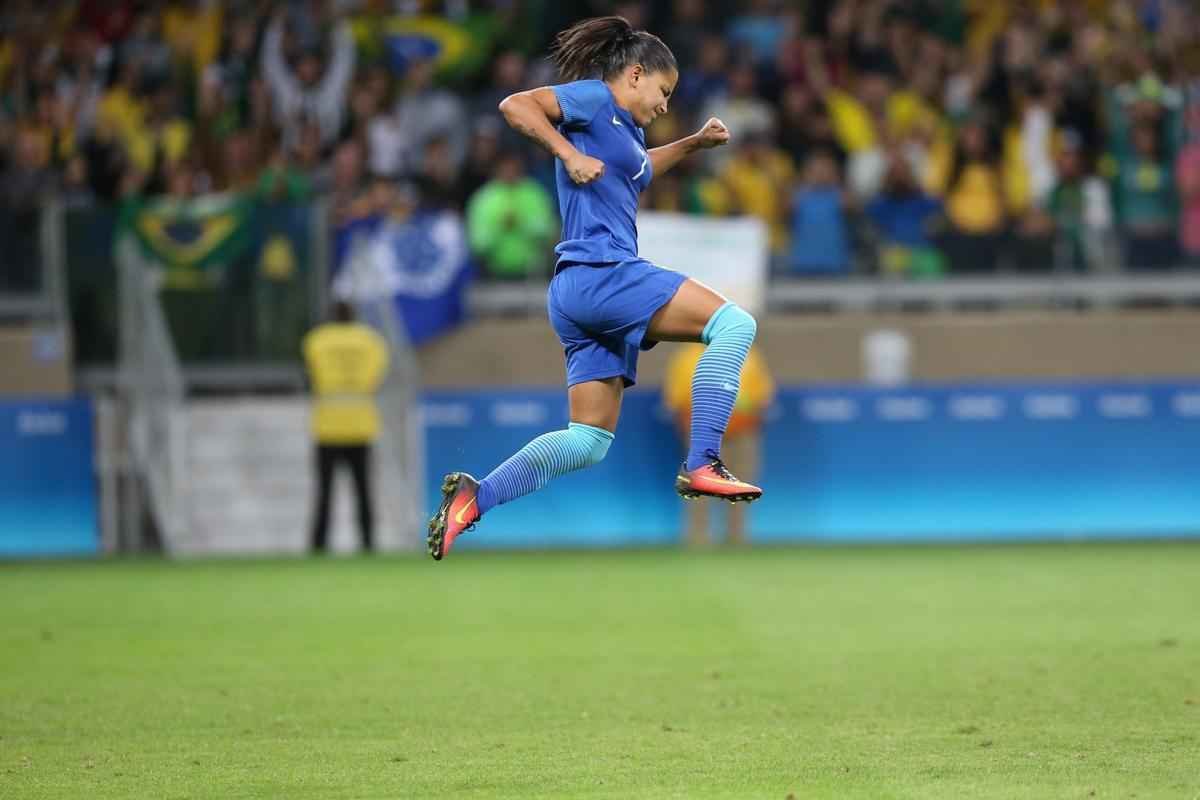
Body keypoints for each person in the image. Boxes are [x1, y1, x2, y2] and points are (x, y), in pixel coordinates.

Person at [426, 15, 762, 561]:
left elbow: (640, 170)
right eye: (663, 91)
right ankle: (703, 461)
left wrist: (693, 144)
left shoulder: (625, 133)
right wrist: (567, 153)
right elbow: (516, 105)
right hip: (603, 272)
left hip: (575, 294)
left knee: (588, 440)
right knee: (734, 324)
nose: (665, 105)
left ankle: (476, 496)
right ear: (634, 75)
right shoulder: (590, 99)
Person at [664, 343, 774, 546]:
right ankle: (698, 539)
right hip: (702, 432)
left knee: (742, 484)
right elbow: (677, 399)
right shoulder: (688, 356)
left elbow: (763, 395)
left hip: (743, 430)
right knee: (699, 484)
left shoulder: (747, 354)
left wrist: (751, 419)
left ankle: (737, 538)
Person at [302, 301, 389, 554]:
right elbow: (377, 377)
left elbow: (311, 374)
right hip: (361, 426)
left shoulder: (316, 340)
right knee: (363, 491)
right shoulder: (371, 341)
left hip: (327, 427)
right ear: (355, 316)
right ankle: (368, 543)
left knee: (324, 493)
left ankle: (318, 545)